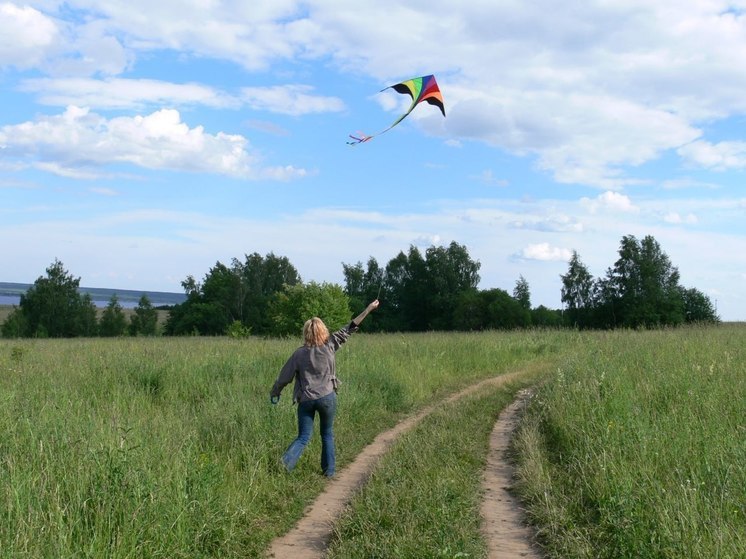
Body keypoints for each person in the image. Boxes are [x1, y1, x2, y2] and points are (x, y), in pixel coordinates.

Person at [270, 299, 380, 477]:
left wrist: (275, 391)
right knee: (327, 434)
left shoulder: (298, 354)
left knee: (303, 437)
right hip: (327, 397)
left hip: (306, 399)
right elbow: (351, 326)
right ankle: (329, 472)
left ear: (306, 333)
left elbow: (284, 377)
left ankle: (285, 463)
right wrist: (368, 309)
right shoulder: (330, 345)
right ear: (324, 331)